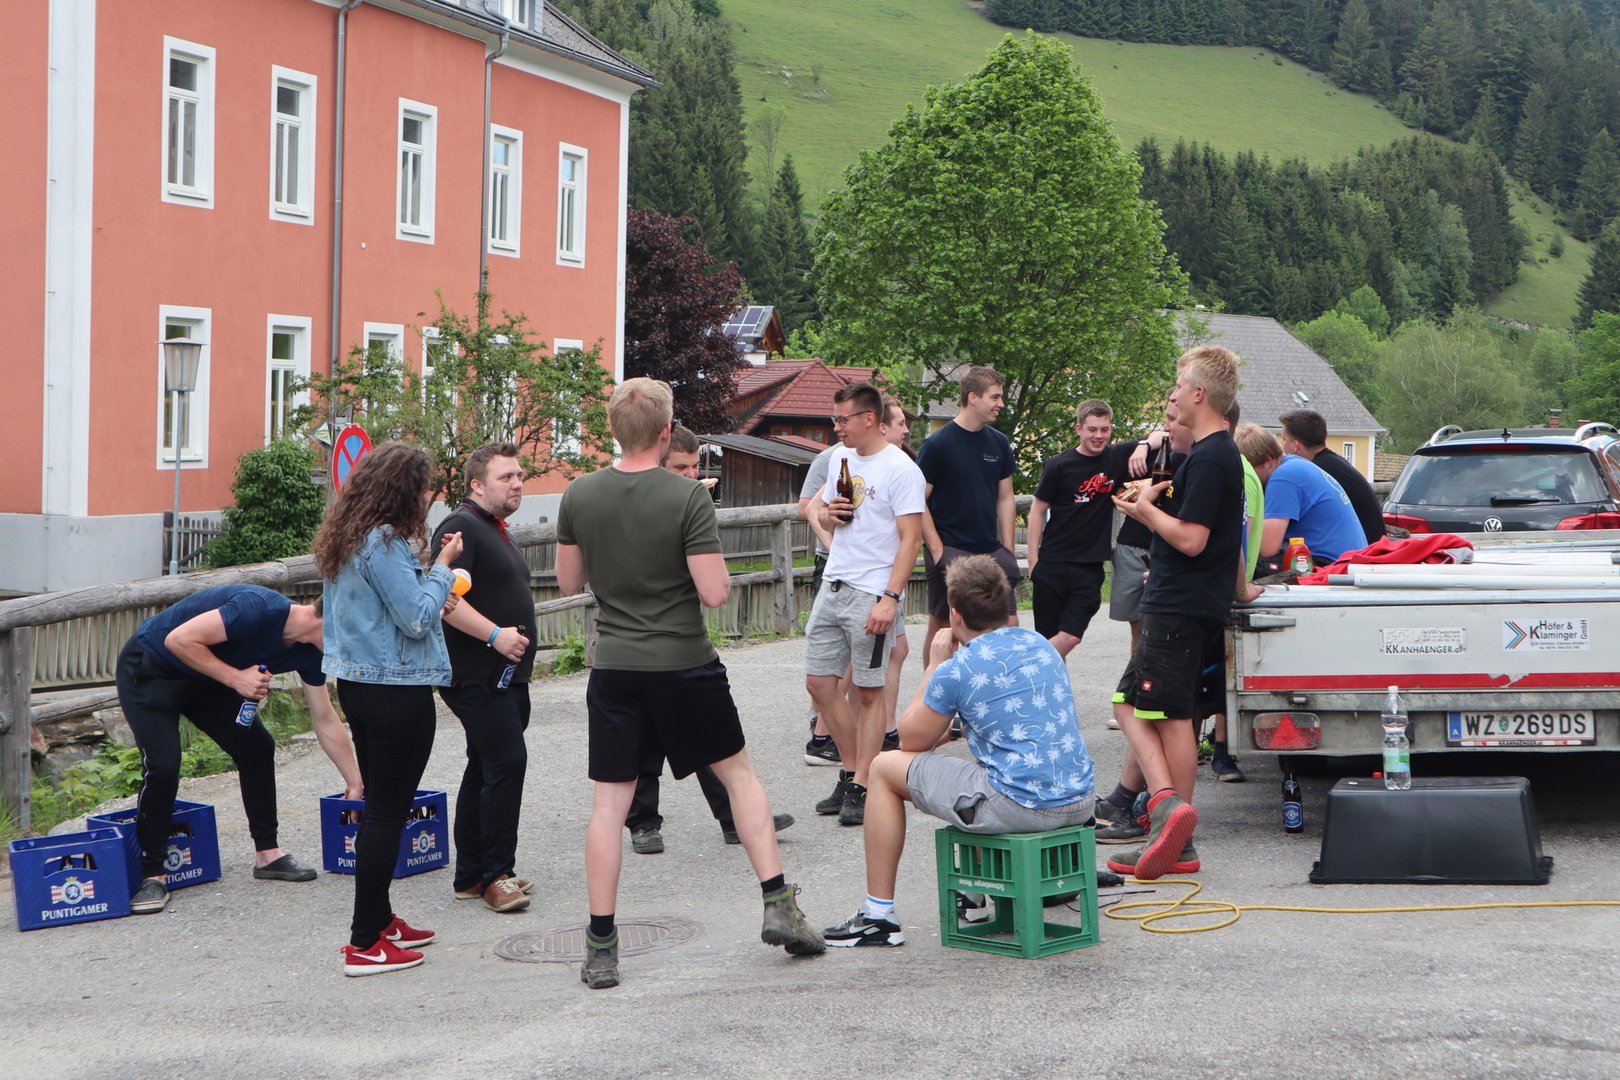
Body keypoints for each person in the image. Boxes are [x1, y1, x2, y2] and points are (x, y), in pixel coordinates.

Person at [556, 378, 825, 990]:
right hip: (683, 661)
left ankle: (601, 947)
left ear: (613, 430)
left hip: (615, 667)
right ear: (664, 433)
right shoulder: (686, 497)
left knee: (609, 805)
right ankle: (778, 905)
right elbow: (715, 592)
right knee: (739, 776)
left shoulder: (579, 494)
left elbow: (570, 582)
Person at [823, 555, 1096, 947]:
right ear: (1005, 604)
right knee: (979, 770)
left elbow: (910, 741)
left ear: (955, 615)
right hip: (1080, 800)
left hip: (1021, 806)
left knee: (883, 768)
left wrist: (934, 666)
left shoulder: (958, 668)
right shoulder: (1041, 644)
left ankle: (878, 916)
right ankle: (973, 894)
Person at [114, 585, 362, 915]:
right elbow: (178, 640)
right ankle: (152, 873)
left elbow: (324, 717)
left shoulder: (311, 652)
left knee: (256, 747)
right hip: (151, 668)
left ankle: (267, 854)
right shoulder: (256, 608)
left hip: (205, 678)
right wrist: (235, 679)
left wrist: (354, 781)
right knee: (163, 765)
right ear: (330, 621)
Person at [316, 441, 461, 976]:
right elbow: (417, 619)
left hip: (359, 685)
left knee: (381, 806)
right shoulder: (384, 542)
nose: (427, 498)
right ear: (402, 492)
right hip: (395, 692)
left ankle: (380, 920)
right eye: (423, 489)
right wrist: (443, 569)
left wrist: (427, 581)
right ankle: (363, 943)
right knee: (386, 814)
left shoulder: (348, 536)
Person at [1106, 346, 1245, 882]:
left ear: (1199, 394)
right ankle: (1169, 816)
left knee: (1163, 715)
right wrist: (1154, 501)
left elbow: (1192, 540)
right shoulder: (1212, 454)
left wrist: (1145, 511)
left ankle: (1174, 825)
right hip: (1180, 599)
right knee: (1137, 706)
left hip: (1180, 604)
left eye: (1179, 386)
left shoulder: (1212, 457)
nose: (1174, 394)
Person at [625, 424, 795, 854]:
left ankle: (735, 817)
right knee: (642, 733)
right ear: (658, 463)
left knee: (708, 732)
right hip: (637, 641)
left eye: (694, 467)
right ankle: (643, 823)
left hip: (683, 639)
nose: (690, 476)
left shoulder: (689, 505)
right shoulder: (639, 506)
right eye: (680, 468)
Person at [805, 382, 925, 827]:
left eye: (843, 420)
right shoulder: (840, 458)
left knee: (870, 693)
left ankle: (861, 784)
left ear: (869, 419)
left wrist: (890, 598)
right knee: (820, 684)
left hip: (873, 591)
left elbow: (911, 539)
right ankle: (854, 772)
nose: (837, 428)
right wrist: (828, 514)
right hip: (834, 583)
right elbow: (818, 511)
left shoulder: (900, 469)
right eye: (834, 419)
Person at [432, 442, 537, 914]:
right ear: (477, 485)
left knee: (485, 768)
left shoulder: (492, 527)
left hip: (505, 676)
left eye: (519, 476)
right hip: (476, 675)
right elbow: (442, 598)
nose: (517, 484)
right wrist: (495, 636)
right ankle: (496, 875)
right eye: (505, 477)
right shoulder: (461, 527)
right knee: (507, 763)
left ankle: (471, 875)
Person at [1027, 399, 1156, 658]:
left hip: (1089, 566)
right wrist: (1033, 561)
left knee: (1071, 635)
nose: (1098, 436)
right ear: (1079, 429)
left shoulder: (1117, 457)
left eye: (1104, 429)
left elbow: (1162, 435)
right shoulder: (1059, 465)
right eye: (1092, 429)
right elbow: (1038, 510)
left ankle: (1032, 663)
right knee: (1048, 635)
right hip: (1053, 562)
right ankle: (1048, 681)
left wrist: (1143, 446)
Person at [916, 367, 1019, 651]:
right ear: (973, 397)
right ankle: (936, 679)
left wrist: (1008, 549)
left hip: (989, 549)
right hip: (951, 546)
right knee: (944, 627)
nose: (1001, 404)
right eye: (995, 397)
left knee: (1008, 623)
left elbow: (1005, 498)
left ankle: (996, 678)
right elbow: (916, 500)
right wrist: (937, 550)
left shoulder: (999, 442)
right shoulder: (937, 445)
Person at [1246, 431, 1365, 570]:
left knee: (1249, 565)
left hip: (1333, 565)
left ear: (1268, 462)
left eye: (1251, 471)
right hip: (1348, 559)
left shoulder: (1282, 478)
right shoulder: (1296, 464)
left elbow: (1267, 548)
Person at [1278, 409, 1385, 545]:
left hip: (1362, 550)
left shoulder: (1316, 472)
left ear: (1296, 446)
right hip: (1369, 545)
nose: (1281, 445)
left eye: (1284, 439)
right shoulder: (1332, 464)